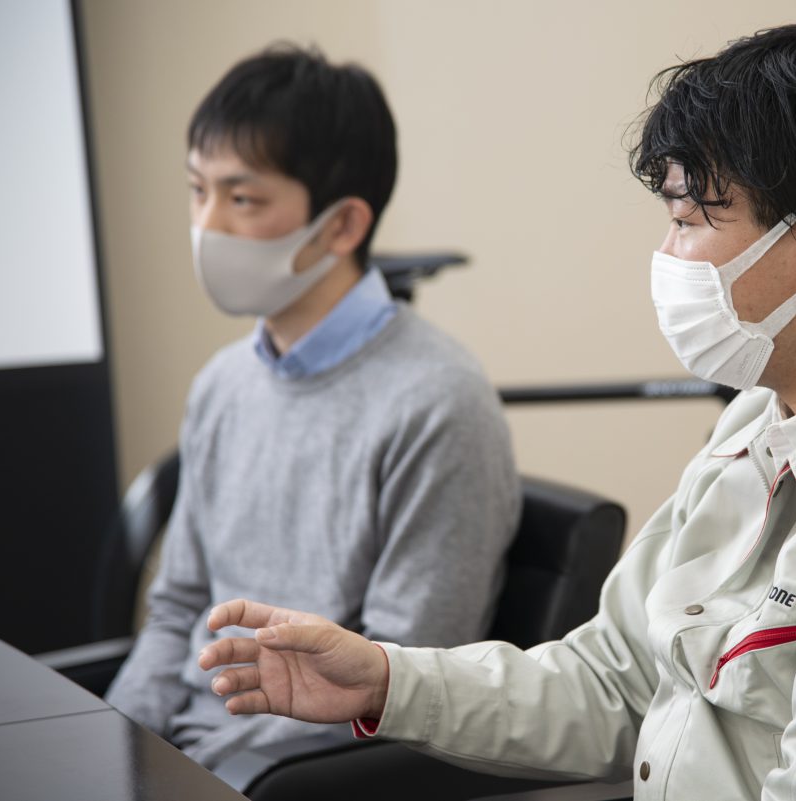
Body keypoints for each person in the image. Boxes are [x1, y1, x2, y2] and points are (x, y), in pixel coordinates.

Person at [198, 25, 796, 799]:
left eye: (690, 220)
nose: (668, 256)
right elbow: (615, 680)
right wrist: (385, 677)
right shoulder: (763, 419)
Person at [104, 45, 521, 769]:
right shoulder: (223, 384)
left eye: (242, 199)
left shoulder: (438, 402)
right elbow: (175, 611)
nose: (207, 225)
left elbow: (404, 681)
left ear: (342, 226)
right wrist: (114, 746)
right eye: (198, 191)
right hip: (178, 756)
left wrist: (203, 771)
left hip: (283, 774)